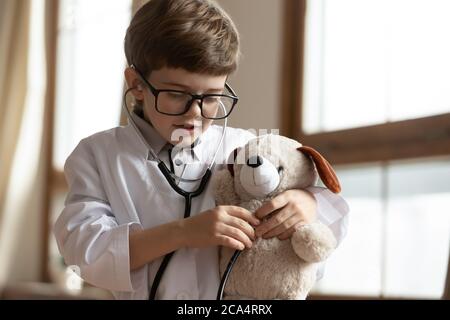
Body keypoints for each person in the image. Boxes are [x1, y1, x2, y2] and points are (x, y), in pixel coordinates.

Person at [53, 0, 349, 300]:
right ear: (137, 84)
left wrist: (306, 204)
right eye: (177, 94)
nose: (195, 113)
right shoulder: (98, 155)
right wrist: (184, 232)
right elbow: (85, 250)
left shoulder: (244, 148)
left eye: (211, 97)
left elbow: (328, 225)